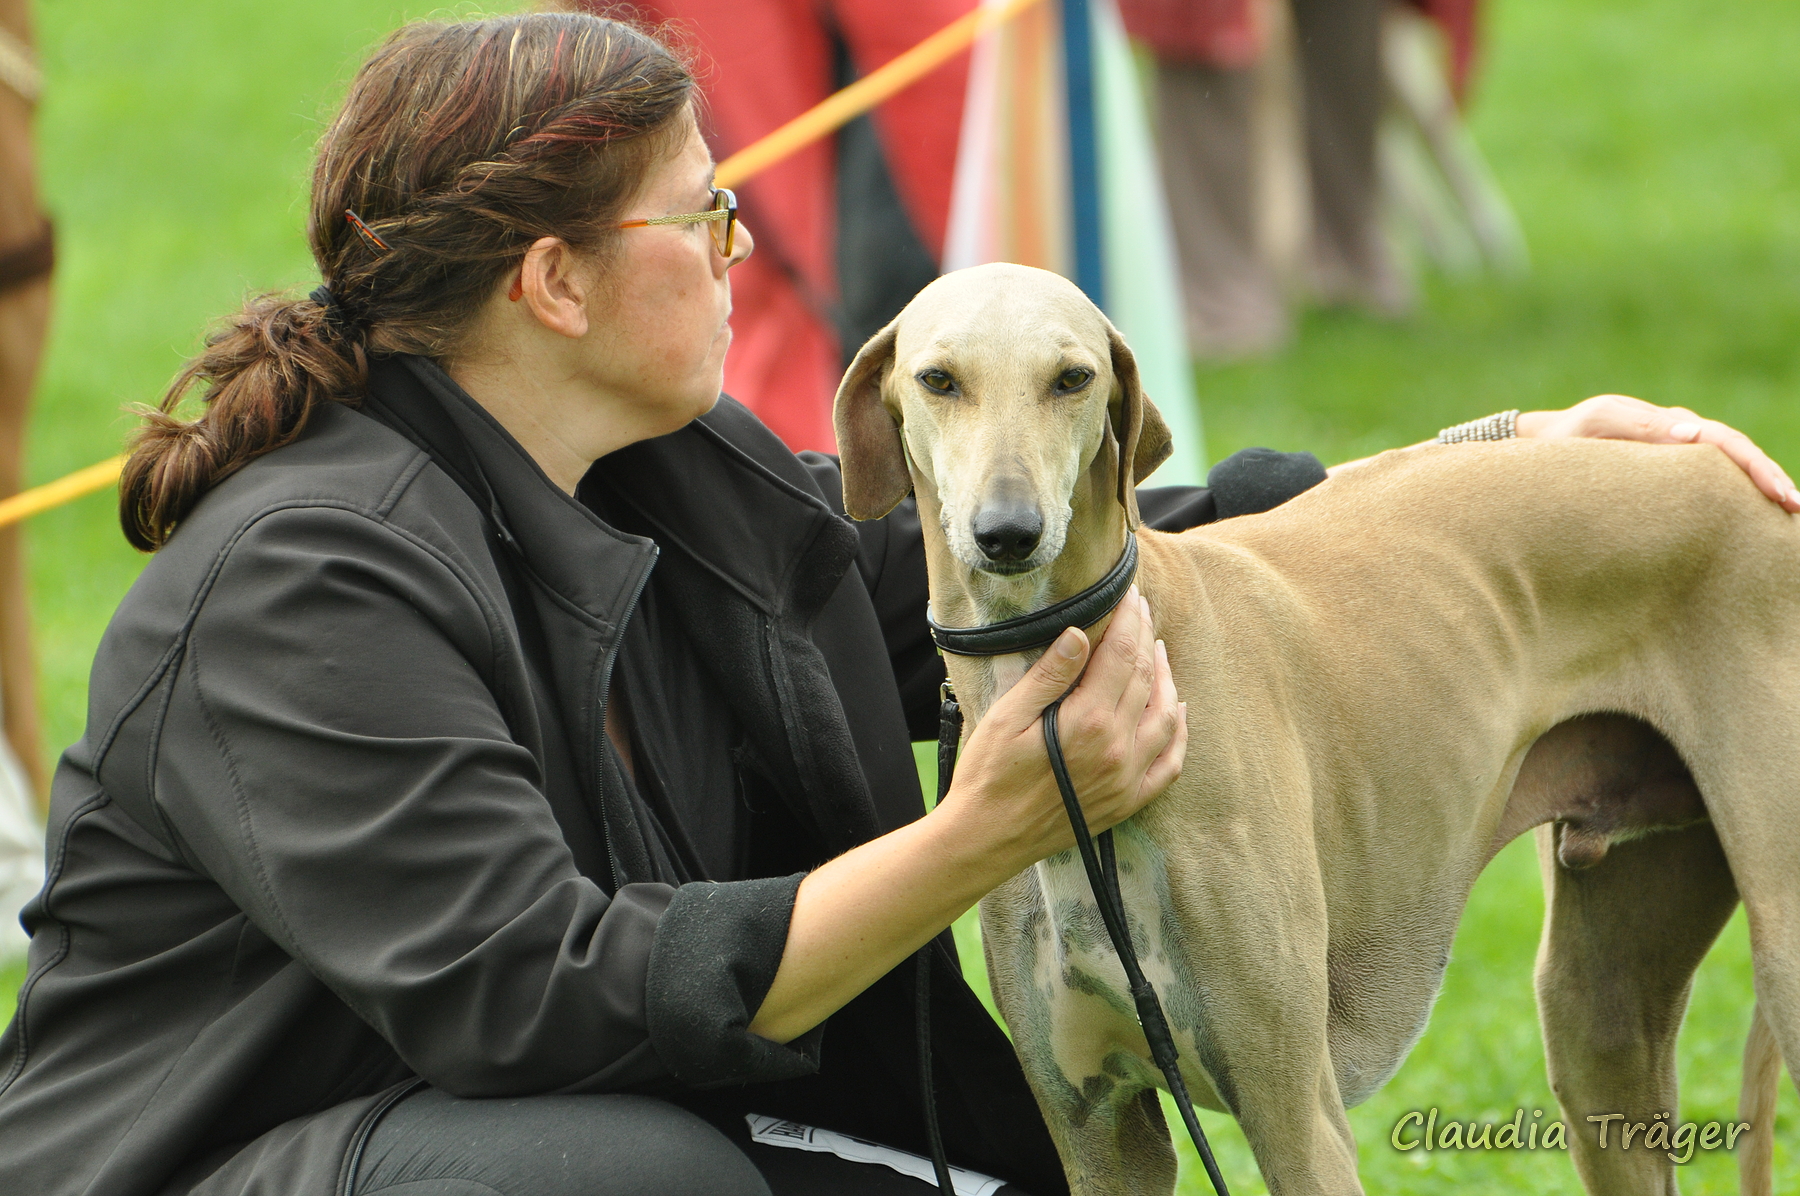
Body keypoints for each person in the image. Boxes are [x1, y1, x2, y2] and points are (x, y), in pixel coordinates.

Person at [0, 13, 1792, 1196]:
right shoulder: (309, 581)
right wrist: (984, 835)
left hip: (498, 1112)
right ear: (551, 282)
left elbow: (1008, 566)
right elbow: (535, 995)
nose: (742, 247)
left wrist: (1502, 448)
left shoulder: (662, 466)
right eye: (702, 219)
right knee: (645, 1182)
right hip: (206, 1157)